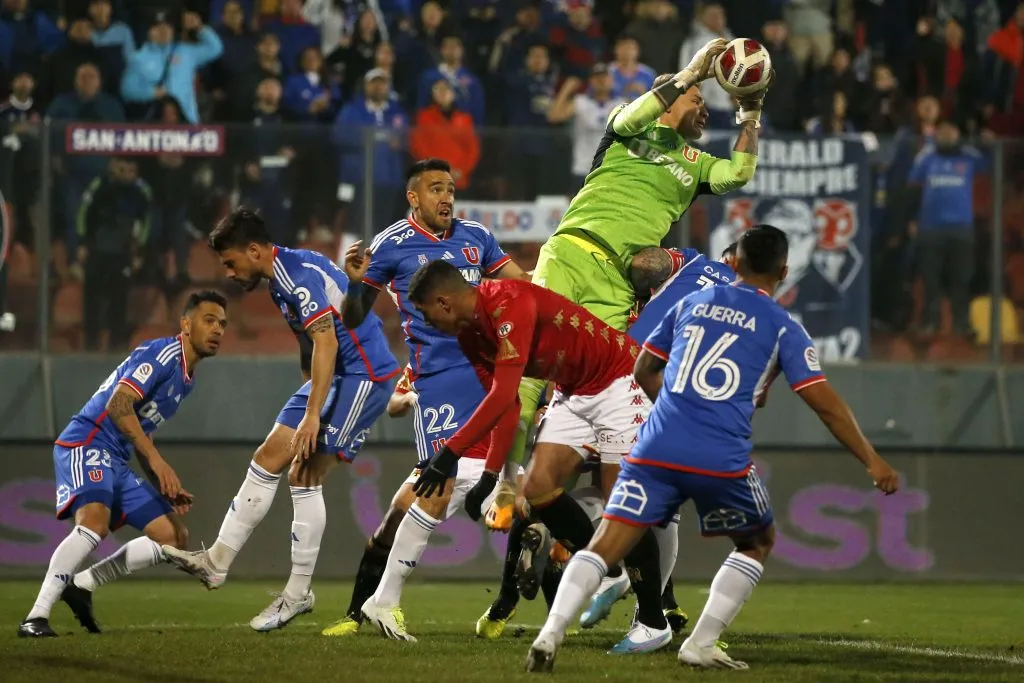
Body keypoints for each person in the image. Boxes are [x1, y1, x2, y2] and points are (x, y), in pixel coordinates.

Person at [487, 37, 770, 643]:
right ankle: (511, 480)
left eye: (707, 101)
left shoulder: (694, 168)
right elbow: (630, 114)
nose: (704, 107)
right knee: (533, 370)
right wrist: (691, 67)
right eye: (699, 98)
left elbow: (740, 171)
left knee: (614, 399)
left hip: (618, 286)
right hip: (571, 251)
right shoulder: (627, 132)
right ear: (673, 99)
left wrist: (750, 113)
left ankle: (624, 576)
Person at [524, 225, 900, 673]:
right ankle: (700, 643)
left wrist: (676, 406)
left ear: (733, 263)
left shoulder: (690, 302)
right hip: (719, 453)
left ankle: (550, 635)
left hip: (656, 443)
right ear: (783, 271)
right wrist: (872, 459)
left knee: (605, 544)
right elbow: (826, 406)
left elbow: (645, 367)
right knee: (757, 541)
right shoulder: (784, 328)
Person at [407, 263, 667, 653]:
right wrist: (490, 475)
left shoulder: (509, 302)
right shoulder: (469, 335)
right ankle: (611, 569)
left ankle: (653, 621)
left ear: (443, 302)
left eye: (426, 313)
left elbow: (500, 396)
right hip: (572, 392)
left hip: (618, 380)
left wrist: (449, 454)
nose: (427, 323)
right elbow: (507, 405)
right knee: (538, 488)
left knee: (620, 504)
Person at [318, 157, 528, 640]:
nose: (446, 197)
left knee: (429, 497)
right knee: (443, 483)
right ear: (414, 197)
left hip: (490, 370)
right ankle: (373, 606)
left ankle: (381, 605)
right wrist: (354, 283)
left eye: (451, 189)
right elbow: (352, 318)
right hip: (436, 379)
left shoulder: (476, 236)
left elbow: (521, 282)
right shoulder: (390, 245)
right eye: (436, 189)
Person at [161, 209, 399, 632]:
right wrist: (309, 393)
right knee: (268, 455)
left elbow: (326, 341)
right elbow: (310, 345)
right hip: (334, 375)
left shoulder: (295, 276)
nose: (230, 273)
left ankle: (297, 594)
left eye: (232, 262)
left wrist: (312, 416)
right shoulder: (280, 279)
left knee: (304, 475)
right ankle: (216, 561)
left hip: (364, 375)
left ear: (254, 251)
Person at [17, 291, 228, 637]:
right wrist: (158, 463)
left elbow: (141, 429)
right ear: (186, 324)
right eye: (209, 320)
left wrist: (160, 481)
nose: (218, 329)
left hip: (116, 456)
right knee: (94, 523)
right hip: (88, 440)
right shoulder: (163, 354)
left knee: (172, 535)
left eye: (222, 324)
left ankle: (82, 585)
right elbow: (119, 406)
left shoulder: (186, 379)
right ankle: (36, 617)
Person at [578, 242, 738, 633]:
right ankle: (646, 608)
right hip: (679, 390)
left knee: (578, 480)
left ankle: (618, 578)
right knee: (662, 504)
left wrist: (627, 271)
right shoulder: (756, 309)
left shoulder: (694, 261)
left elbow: (645, 263)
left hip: (626, 369)